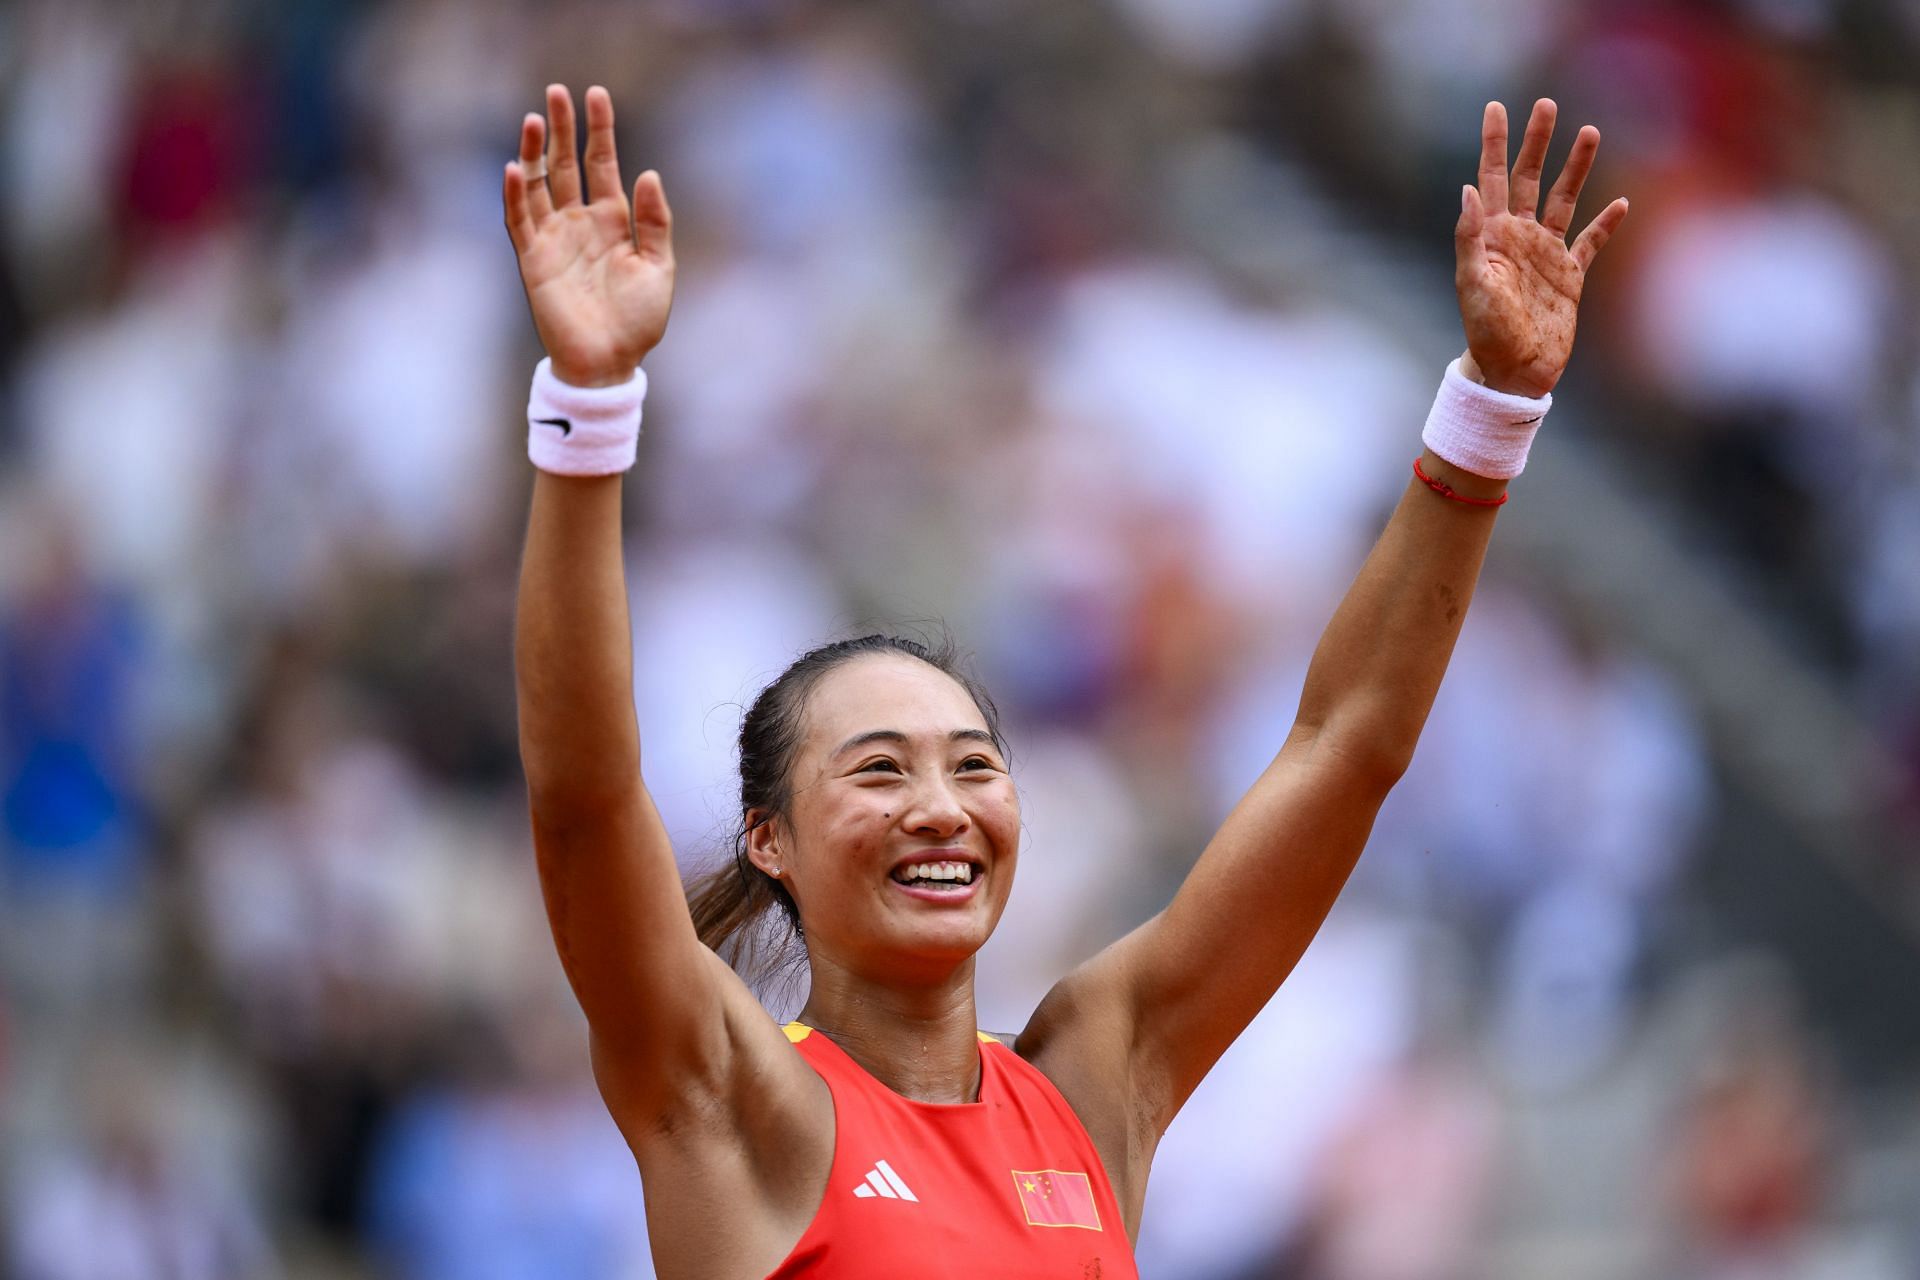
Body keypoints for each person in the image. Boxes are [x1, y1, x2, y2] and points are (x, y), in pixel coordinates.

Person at [501, 82, 1627, 1279]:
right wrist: (588, 402)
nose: (942, 805)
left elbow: (1345, 746)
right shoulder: (732, 1092)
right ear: (770, 839)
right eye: (880, 767)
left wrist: (1493, 406)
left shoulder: (1096, 1078)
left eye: (973, 765)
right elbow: (583, 797)